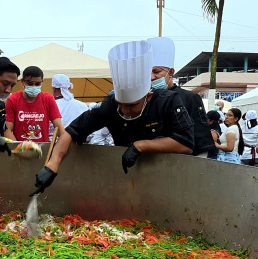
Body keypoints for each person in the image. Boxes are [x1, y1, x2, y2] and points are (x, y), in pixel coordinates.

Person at [32, 40, 194, 195]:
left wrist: (141, 146)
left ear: (148, 96)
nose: (124, 110)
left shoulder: (168, 101)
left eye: (131, 105)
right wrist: (51, 167)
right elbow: (73, 132)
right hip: (125, 173)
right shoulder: (110, 105)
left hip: (165, 173)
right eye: (121, 103)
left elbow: (185, 143)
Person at [147, 37, 215, 158]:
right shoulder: (145, 99)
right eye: (148, 72)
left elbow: (201, 144)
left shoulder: (190, 99)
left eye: (156, 72)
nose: (151, 77)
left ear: (171, 72)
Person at [5, 66, 63, 143]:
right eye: (30, 83)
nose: (34, 86)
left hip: (42, 149)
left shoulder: (48, 99)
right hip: (20, 149)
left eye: (37, 83)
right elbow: (7, 130)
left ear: (42, 82)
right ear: (22, 81)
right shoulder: (12, 100)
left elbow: (59, 129)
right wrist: (19, 148)